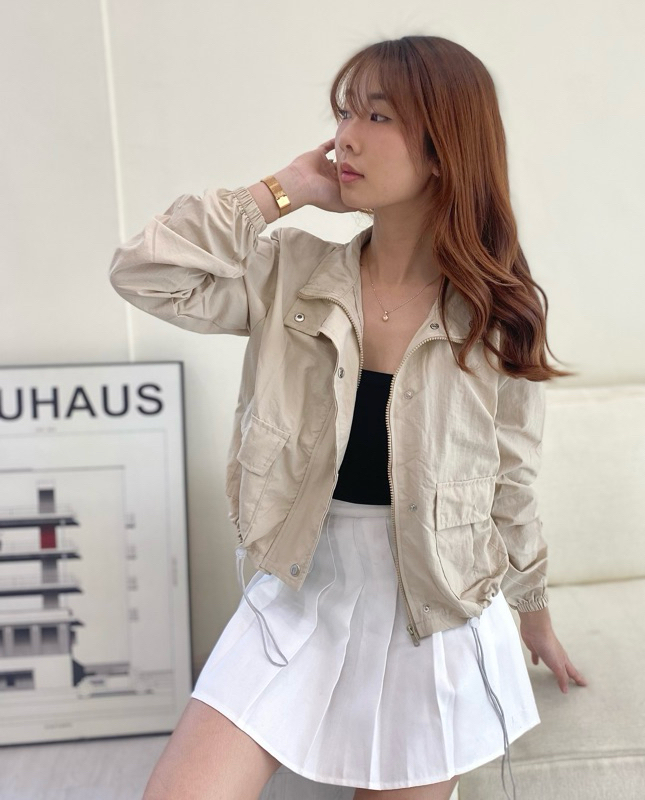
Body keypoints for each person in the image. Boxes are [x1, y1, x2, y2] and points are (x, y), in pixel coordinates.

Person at [109, 34, 587, 800]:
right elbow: (143, 272)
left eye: (377, 115)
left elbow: (511, 483)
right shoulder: (290, 272)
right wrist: (285, 190)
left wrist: (533, 615)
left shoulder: (497, 314)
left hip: (432, 609)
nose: (345, 138)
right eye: (344, 112)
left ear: (443, 148)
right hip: (300, 589)